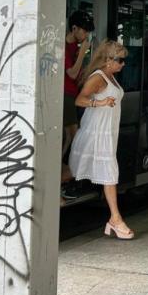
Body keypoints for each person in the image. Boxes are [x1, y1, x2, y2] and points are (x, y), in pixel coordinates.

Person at [68, 40, 132, 239]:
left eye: (124, 60)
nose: (123, 64)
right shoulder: (99, 77)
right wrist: (101, 102)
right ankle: (115, 219)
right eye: (120, 60)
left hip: (107, 132)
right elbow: (80, 100)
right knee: (109, 174)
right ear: (108, 60)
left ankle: (44, 190)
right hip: (96, 133)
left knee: (75, 171)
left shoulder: (111, 76)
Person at [61, 11, 94, 203]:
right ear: (74, 28)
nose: (86, 35)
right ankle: (69, 174)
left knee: (70, 135)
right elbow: (71, 73)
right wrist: (83, 51)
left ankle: (66, 172)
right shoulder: (66, 46)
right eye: (85, 31)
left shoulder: (74, 45)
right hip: (65, 95)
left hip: (72, 94)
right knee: (74, 135)